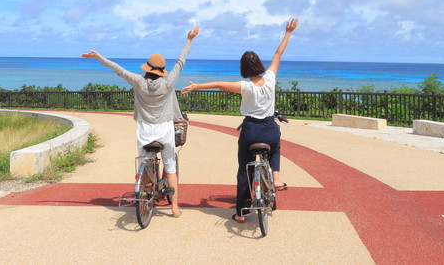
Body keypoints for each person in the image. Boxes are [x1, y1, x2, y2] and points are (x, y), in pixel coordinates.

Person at [182, 18, 299, 223]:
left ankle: (241, 213)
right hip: (269, 127)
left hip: (251, 128)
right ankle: (276, 178)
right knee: (276, 147)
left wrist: (197, 86)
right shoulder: (270, 78)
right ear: (260, 65)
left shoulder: (245, 86)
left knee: (244, 169)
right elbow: (278, 53)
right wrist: (288, 32)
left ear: (244, 68)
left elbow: (219, 84)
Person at [82, 25, 199, 218]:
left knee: (143, 162)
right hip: (164, 130)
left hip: (145, 130)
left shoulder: (138, 81)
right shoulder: (168, 82)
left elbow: (118, 70)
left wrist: (99, 57)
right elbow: (181, 62)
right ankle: (175, 207)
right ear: (162, 70)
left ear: (147, 68)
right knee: (170, 166)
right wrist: (189, 40)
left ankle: (143, 192)